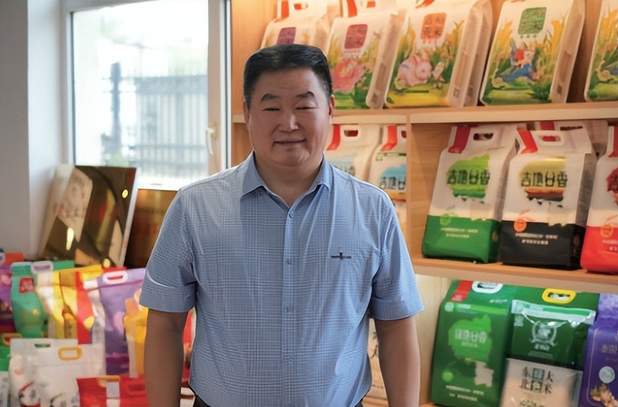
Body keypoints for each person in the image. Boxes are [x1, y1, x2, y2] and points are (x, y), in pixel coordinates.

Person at [140, 44, 423, 407]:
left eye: (304, 106)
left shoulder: (373, 210)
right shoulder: (195, 207)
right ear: (247, 113)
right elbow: (165, 324)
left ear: (330, 109)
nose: (288, 124)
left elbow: (396, 325)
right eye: (272, 107)